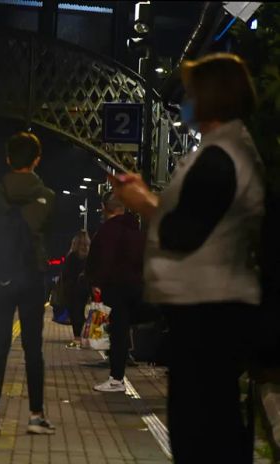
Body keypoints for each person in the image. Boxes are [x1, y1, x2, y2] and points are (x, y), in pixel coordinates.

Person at [110, 53, 263, 463]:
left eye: (192, 93)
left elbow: (184, 231)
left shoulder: (219, 158)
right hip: (209, 307)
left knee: (202, 432)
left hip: (208, 311)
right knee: (211, 427)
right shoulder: (226, 150)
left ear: (211, 99)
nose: (185, 102)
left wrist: (143, 203)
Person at [0, 131, 56, 435]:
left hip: (2, 276)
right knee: (33, 348)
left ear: (8, 159)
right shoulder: (48, 196)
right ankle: (36, 416)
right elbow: (45, 228)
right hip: (32, 277)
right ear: (37, 160)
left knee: (0, 346)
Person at [85, 192, 144, 392]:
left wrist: (95, 282)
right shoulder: (136, 229)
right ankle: (118, 374)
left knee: (117, 334)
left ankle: (116, 379)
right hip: (136, 288)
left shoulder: (107, 231)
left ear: (104, 208)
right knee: (123, 331)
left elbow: (102, 261)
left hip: (115, 289)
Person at [62, 230, 90, 348]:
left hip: (72, 289)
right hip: (85, 288)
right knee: (81, 311)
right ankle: (82, 337)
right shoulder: (89, 256)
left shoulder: (72, 256)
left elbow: (66, 273)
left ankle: (77, 338)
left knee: (75, 313)